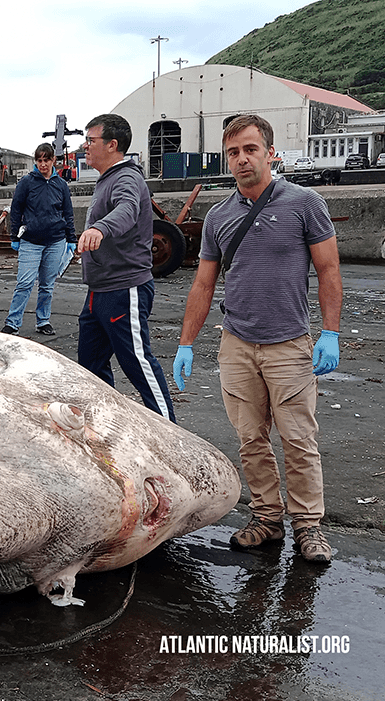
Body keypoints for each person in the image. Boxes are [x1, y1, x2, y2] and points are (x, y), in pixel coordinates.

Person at [172, 114, 341, 563]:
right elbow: (204, 285)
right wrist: (186, 343)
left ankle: (309, 527)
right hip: (238, 343)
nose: (242, 159)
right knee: (251, 439)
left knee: (299, 440)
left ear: (269, 152)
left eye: (250, 149)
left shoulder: (304, 203)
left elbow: (328, 270)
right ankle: (267, 518)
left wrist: (331, 333)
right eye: (233, 152)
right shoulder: (219, 217)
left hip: (289, 343)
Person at [76, 113, 175, 422]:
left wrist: (100, 229)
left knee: (137, 362)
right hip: (99, 291)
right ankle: (105, 425)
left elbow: (127, 211)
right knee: (90, 365)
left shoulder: (126, 178)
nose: (85, 147)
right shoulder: (106, 180)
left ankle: (170, 433)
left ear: (112, 145)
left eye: (91, 140)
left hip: (124, 288)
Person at [2, 143, 76, 337]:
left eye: (46, 160)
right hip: (31, 241)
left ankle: (43, 320)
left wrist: (71, 238)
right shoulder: (26, 183)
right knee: (24, 283)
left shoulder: (61, 185)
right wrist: (14, 236)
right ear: (36, 161)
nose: (43, 164)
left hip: (56, 241)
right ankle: (13, 322)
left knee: (47, 285)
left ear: (53, 161)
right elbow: (16, 209)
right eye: (39, 160)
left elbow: (68, 213)